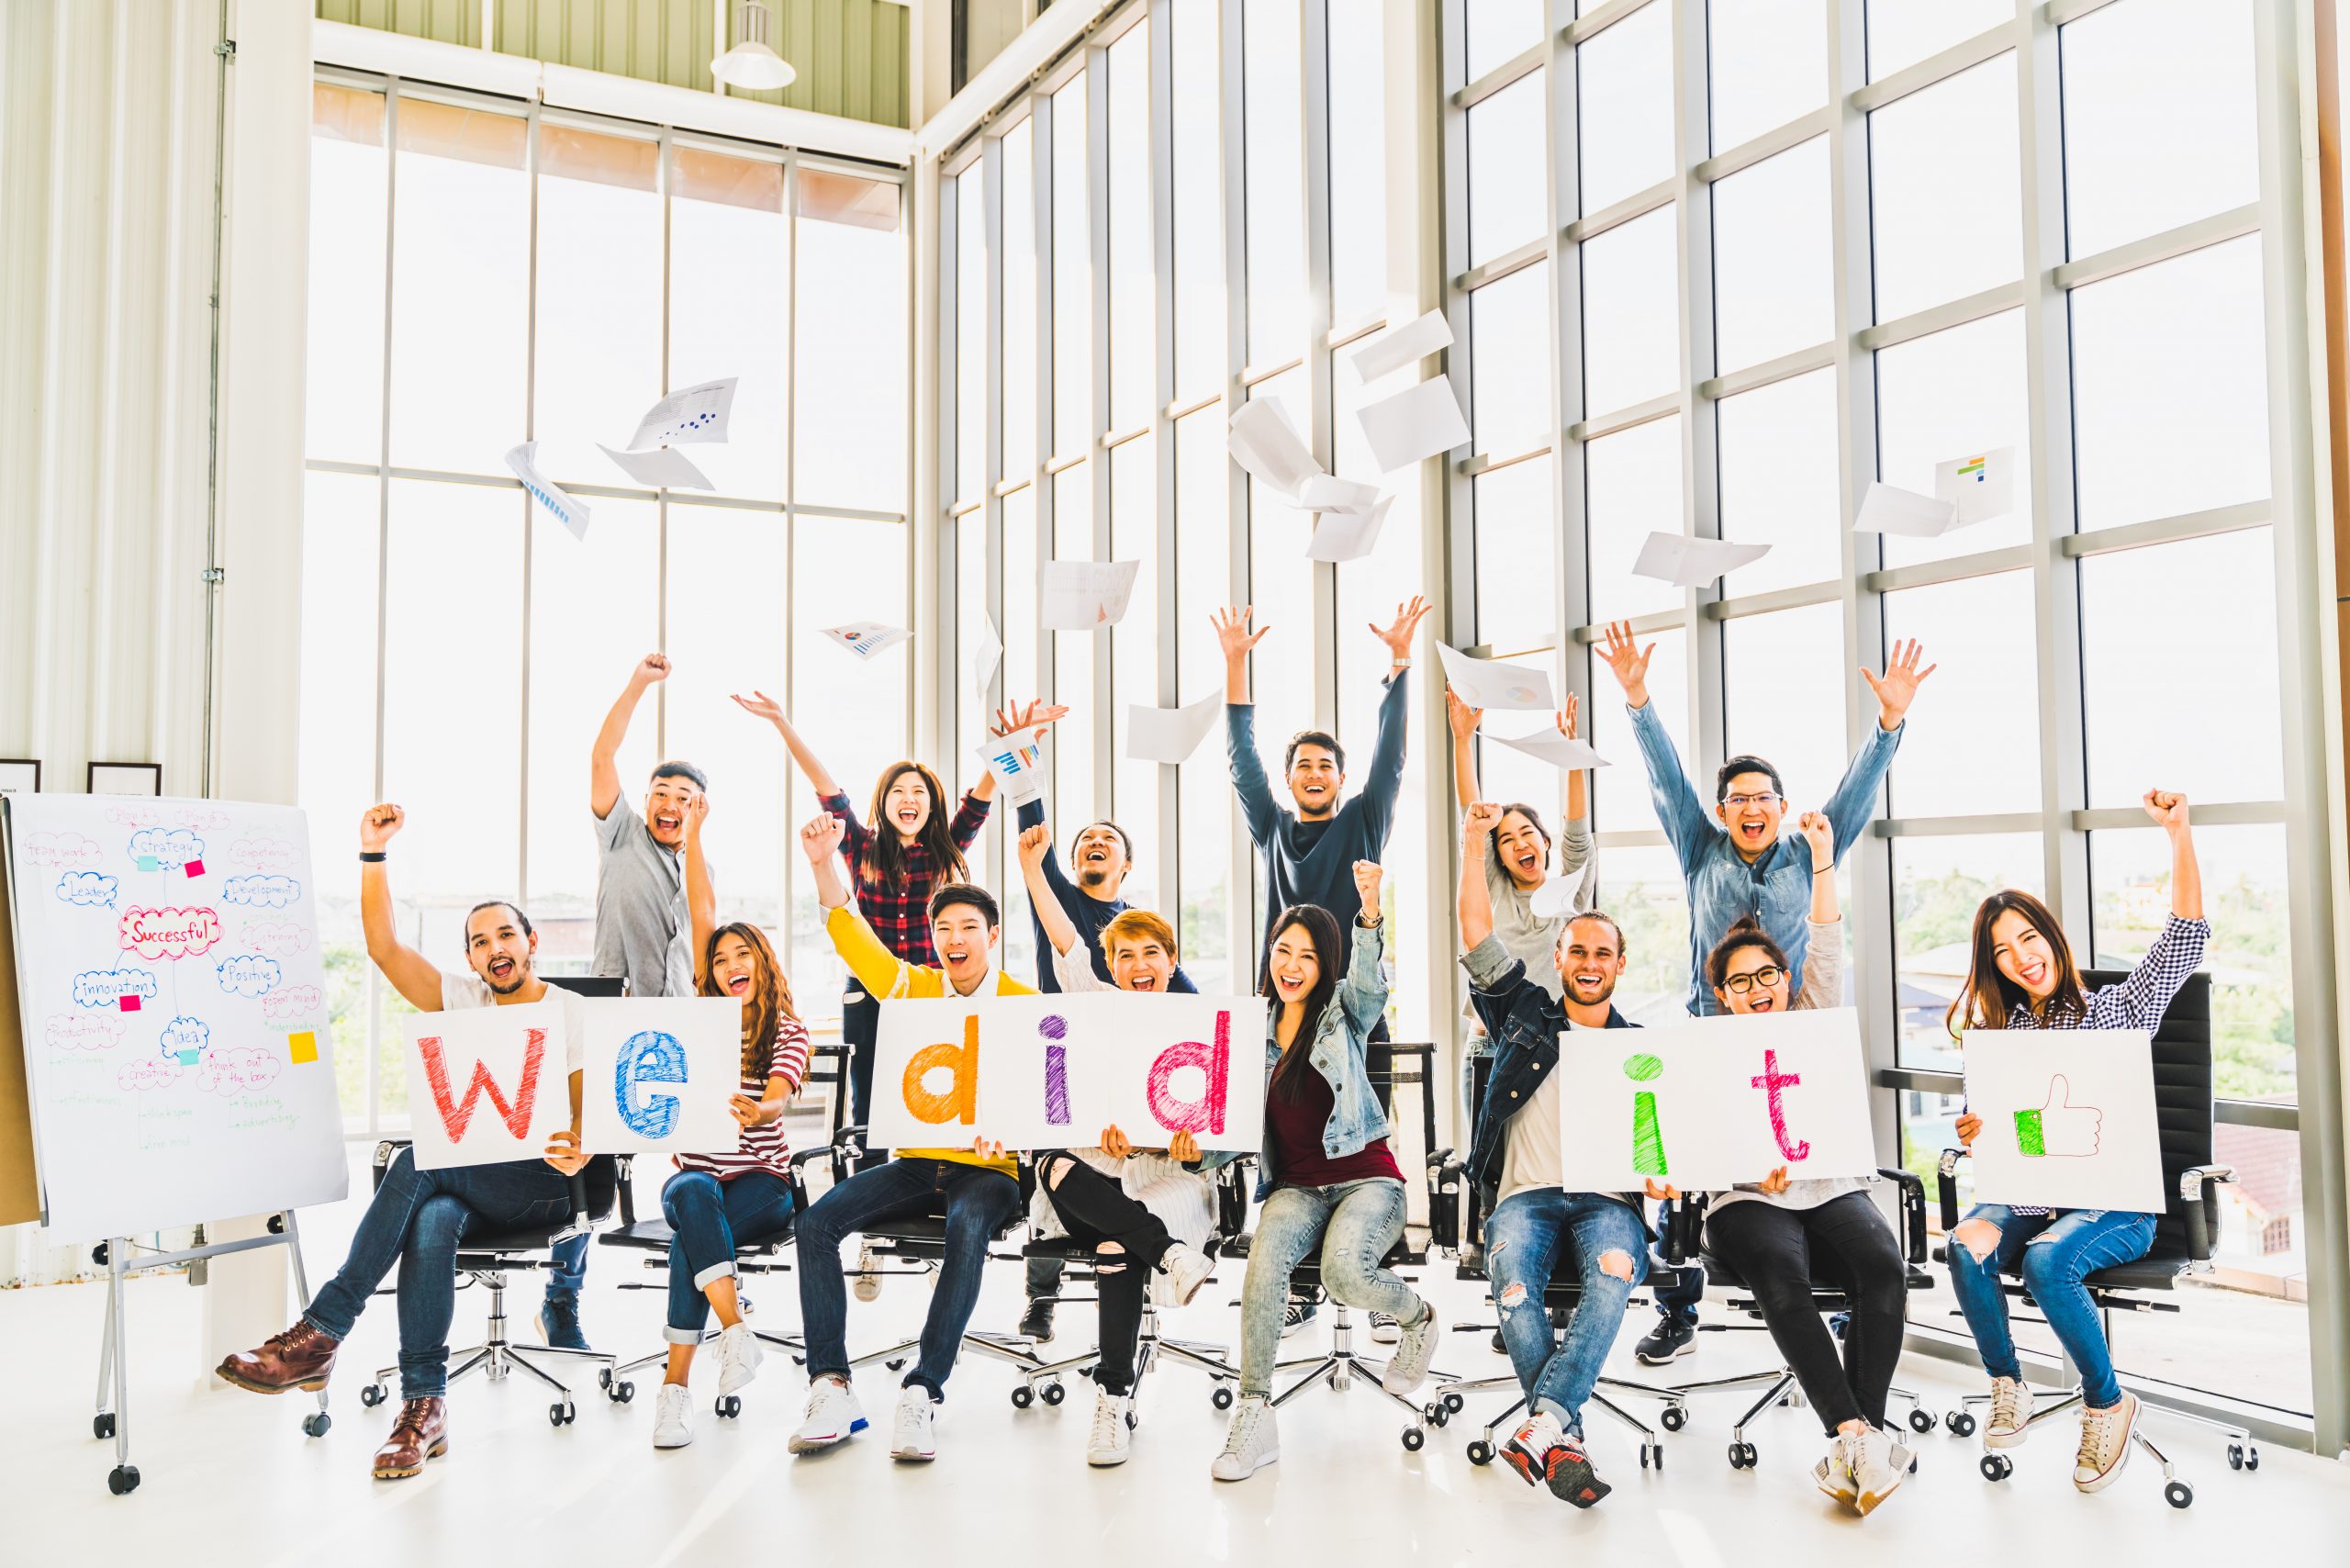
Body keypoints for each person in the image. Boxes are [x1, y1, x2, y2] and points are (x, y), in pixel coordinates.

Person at [215, 804, 588, 1482]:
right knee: (434, 1214)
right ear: (470, 957)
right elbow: (384, 947)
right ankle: (423, 1411)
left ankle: (324, 1330)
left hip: (536, 1187)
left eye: (507, 934)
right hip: (466, 1185)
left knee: (420, 1161)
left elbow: (590, 1120)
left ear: (532, 941)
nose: (496, 948)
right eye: (481, 941)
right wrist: (372, 854)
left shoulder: (568, 1010)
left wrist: (580, 1147)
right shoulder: (460, 998)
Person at [1597, 622, 1933, 1366]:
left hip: (1794, 1033)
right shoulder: (1698, 849)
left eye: (1763, 797)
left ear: (1780, 805)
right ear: (1722, 811)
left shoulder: (1812, 848)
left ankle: (1845, 1305)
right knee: (1690, 1178)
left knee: (1811, 1162)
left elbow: (1858, 790)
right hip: (1714, 1036)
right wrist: (1637, 698)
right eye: (1737, 799)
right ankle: (1678, 1308)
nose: (1750, 808)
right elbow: (1666, 780)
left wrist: (1889, 721)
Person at [1943, 790, 2208, 1495]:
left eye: (2026, 938)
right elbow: (1997, 1130)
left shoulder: (2120, 1009)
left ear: (2050, 936)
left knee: (2049, 1261)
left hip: (2114, 1200)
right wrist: (1974, 1130)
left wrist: (2178, 833)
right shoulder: (2005, 1038)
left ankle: (2106, 1401)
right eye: (2002, 952)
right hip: (2031, 1194)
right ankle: (2008, 1384)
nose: (2019, 958)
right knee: (1963, 1243)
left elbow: (2185, 931)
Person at [1649, 812, 1913, 1515]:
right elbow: (1686, 1149)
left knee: (1883, 1267)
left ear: (1784, 977)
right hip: (1744, 1201)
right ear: (1723, 996)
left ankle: (1862, 1437)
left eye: (1768, 974)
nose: (1758, 987)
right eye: (1741, 982)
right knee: (1780, 1272)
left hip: (1826, 1184)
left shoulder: (1812, 1011)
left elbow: (1828, 938)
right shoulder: (1704, 1048)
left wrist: (1823, 857)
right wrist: (1720, 1170)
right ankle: (1853, 1430)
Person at [785, 813, 1031, 1464]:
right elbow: (853, 938)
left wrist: (1014, 1134)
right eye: (943, 929)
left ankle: (923, 1390)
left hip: (989, 1171)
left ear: (992, 936)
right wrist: (821, 863)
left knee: (965, 1231)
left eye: (968, 928)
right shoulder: (913, 987)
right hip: (921, 1160)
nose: (954, 938)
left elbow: (1050, 1102)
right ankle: (831, 1383)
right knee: (815, 1223)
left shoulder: (1024, 1003)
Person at [733, 689, 1062, 1175]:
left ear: (932, 805)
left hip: (925, 992)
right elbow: (826, 787)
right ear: (883, 802)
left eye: (919, 793)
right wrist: (782, 722)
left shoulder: (946, 847)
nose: (909, 800)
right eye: (898, 792)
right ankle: (870, 1196)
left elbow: (981, 795)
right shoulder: (861, 847)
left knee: (934, 1079)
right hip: (867, 988)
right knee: (867, 1091)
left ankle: (930, 1176)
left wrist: (1014, 741)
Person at [1218, 594, 1427, 1341]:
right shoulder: (1274, 829)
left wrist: (1399, 666)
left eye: (1324, 765)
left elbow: (1394, 757)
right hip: (1284, 1008)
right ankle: (1302, 1282)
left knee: (1362, 1140)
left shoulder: (1362, 822)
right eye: (1302, 764)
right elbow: (1242, 767)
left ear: (1339, 779)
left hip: (1354, 1005)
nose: (1313, 772)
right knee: (1289, 1138)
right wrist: (1236, 667)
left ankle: (1372, 1273)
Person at [1211, 862, 1439, 1483]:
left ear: (1324, 965)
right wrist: (1188, 1152)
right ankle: (1255, 1415)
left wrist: (1369, 910)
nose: (1291, 965)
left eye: (1307, 956)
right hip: (1296, 1189)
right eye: (1283, 951)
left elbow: (1370, 987)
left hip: (1369, 1179)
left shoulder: (1345, 1010)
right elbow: (1227, 1124)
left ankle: (1417, 1317)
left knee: (1343, 1272)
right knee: (1263, 1262)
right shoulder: (1247, 1028)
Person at [1455, 801, 1650, 1508]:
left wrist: (1660, 1173)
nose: (1590, 963)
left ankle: (1544, 1424)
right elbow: (1476, 931)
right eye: (1579, 951)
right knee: (1513, 1286)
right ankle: (1564, 1432)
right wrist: (1476, 839)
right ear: (1559, 957)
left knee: (1613, 1272)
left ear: (1620, 965)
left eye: (1604, 953)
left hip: (1608, 1198)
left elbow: (1666, 1142)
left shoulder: (1642, 1052)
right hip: (1524, 1197)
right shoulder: (1525, 1012)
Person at [1013, 821, 1224, 1465]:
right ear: (1111, 964)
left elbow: (1225, 1133)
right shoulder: (1094, 1001)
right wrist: (1032, 873)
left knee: (1115, 1241)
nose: (1137, 966)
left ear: (1171, 959)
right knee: (1050, 1156)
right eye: (1124, 955)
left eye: (1149, 954)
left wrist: (1191, 1150)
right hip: (1091, 1170)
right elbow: (1061, 937)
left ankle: (1111, 1398)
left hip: (1164, 1176)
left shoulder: (1197, 1024)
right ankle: (1170, 1256)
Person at [647, 797, 813, 1450]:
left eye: (742, 955)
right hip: (698, 1180)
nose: (729, 964)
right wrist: (693, 839)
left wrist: (761, 1108)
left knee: (692, 1237)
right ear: (709, 975)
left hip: (762, 1186)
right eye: (719, 960)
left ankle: (675, 1392)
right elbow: (700, 914)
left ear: (762, 963)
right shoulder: (700, 1026)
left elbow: (779, 1094)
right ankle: (734, 1331)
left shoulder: (786, 1030)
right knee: (690, 1195)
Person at [1010, 784, 1198, 1344]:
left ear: (1127, 863)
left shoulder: (1138, 930)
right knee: (1056, 1162)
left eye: (1107, 838)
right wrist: (1030, 861)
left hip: (1135, 1115)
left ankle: (1152, 1256)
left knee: (1107, 1180)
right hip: (1064, 1066)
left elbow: (1198, 1010)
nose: (1095, 841)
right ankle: (1041, 1293)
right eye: (1086, 839)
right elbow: (1059, 929)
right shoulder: (1070, 905)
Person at [568, 651, 713, 1352]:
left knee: (700, 1153)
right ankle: (562, 1298)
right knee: (588, 1155)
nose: (671, 804)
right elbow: (603, 752)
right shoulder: (620, 833)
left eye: (686, 799)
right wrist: (637, 684)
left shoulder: (698, 862)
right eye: (664, 792)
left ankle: (707, 1280)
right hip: (614, 1011)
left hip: (679, 1020)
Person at [1442, 689, 1594, 1137]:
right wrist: (1462, 740)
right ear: (1500, 856)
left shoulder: (1573, 893)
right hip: (1492, 1043)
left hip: (1563, 1039)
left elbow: (1577, 829)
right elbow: (1470, 818)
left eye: (1527, 833)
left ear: (1545, 842)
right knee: (1491, 1166)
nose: (1519, 843)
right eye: (1506, 840)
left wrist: (1570, 755)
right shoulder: (1493, 889)